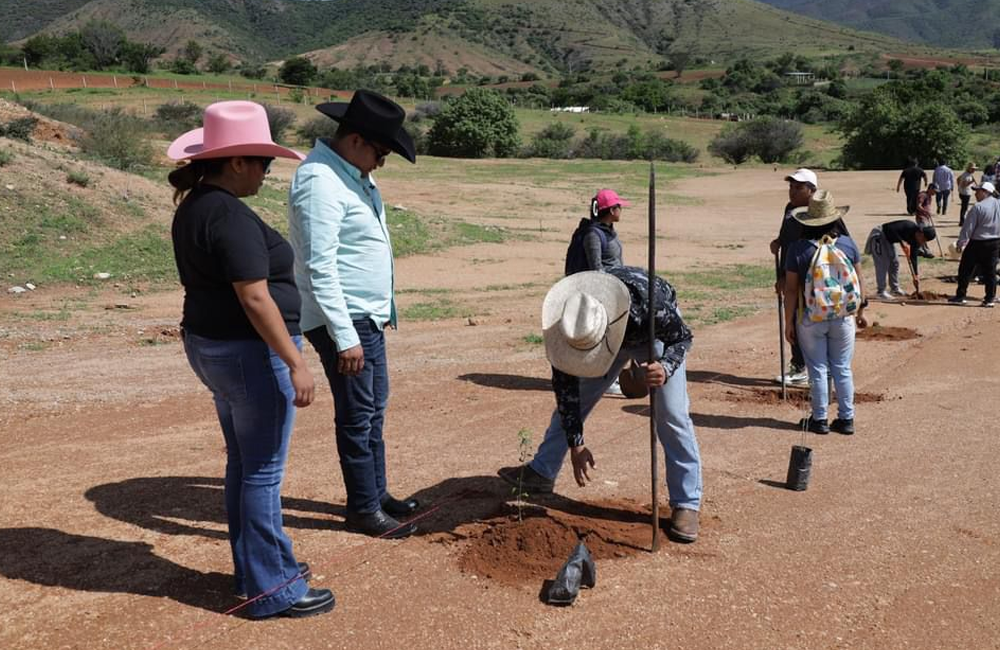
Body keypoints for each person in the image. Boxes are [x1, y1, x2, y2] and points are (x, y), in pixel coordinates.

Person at [167, 101, 335, 618]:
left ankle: (256, 573)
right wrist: (295, 361)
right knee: (261, 471)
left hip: (213, 348)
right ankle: (273, 590)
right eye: (263, 162)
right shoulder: (228, 215)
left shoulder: (196, 205)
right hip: (249, 353)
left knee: (243, 464)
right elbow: (255, 296)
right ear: (236, 162)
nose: (267, 172)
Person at [288, 90, 420, 539]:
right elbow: (318, 265)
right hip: (342, 319)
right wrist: (345, 336)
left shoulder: (351, 174)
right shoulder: (320, 181)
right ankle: (363, 508)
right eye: (381, 153)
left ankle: (377, 494)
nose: (381, 162)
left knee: (373, 409)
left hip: (365, 316)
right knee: (357, 414)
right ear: (356, 140)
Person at [497, 266, 703, 543]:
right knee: (573, 403)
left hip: (653, 334)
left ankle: (686, 503)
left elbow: (682, 337)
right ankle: (542, 471)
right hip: (598, 336)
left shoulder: (650, 308)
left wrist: (665, 367)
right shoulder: (569, 326)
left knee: (671, 415)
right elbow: (567, 395)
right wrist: (576, 444)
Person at [783, 190, 867, 435]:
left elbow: (790, 290)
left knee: (817, 368)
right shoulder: (848, 244)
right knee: (842, 367)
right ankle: (846, 418)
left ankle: (819, 419)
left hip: (811, 317)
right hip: (843, 317)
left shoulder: (798, 249)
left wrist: (788, 322)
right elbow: (861, 281)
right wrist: (861, 311)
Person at [565, 188, 629, 395]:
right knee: (601, 336)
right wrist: (608, 293)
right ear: (611, 210)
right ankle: (605, 379)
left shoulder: (607, 231)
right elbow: (596, 268)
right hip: (600, 292)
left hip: (613, 289)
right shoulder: (593, 234)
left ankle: (602, 376)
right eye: (619, 206)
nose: (621, 209)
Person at [769, 168, 818, 386]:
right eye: (791, 186)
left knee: (806, 321)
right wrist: (777, 243)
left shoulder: (819, 212)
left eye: (798, 187)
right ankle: (799, 365)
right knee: (794, 319)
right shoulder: (790, 208)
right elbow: (785, 237)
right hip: (789, 272)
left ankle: (808, 366)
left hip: (811, 277)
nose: (792, 191)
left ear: (812, 190)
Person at [950, 181, 1000, 307]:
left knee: (965, 269)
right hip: (995, 243)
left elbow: (968, 228)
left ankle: (960, 296)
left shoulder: (978, 207)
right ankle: (989, 299)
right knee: (990, 272)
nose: (976, 193)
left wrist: (961, 243)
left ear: (986, 192)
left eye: (978, 191)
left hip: (977, 243)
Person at [864, 219, 937, 300]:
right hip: (880, 235)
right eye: (923, 239)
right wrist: (902, 242)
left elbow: (913, 256)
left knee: (895, 263)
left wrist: (915, 275)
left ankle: (894, 289)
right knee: (883, 264)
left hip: (889, 240)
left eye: (925, 241)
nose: (922, 242)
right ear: (920, 233)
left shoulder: (917, 240)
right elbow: (889, 228)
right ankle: (881, 292)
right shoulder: (909, 226)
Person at [957, 163, 978, 227]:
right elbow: (964, 185)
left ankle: (962, 220)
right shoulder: (966, 175)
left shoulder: (968, 174)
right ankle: (962, 221)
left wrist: (959, 187)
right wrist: (971, 182)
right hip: (965, 193)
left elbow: (958, 179)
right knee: (964, 208)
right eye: (973, 169)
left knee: (964, 207)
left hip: (964, 192)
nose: (974, 170)